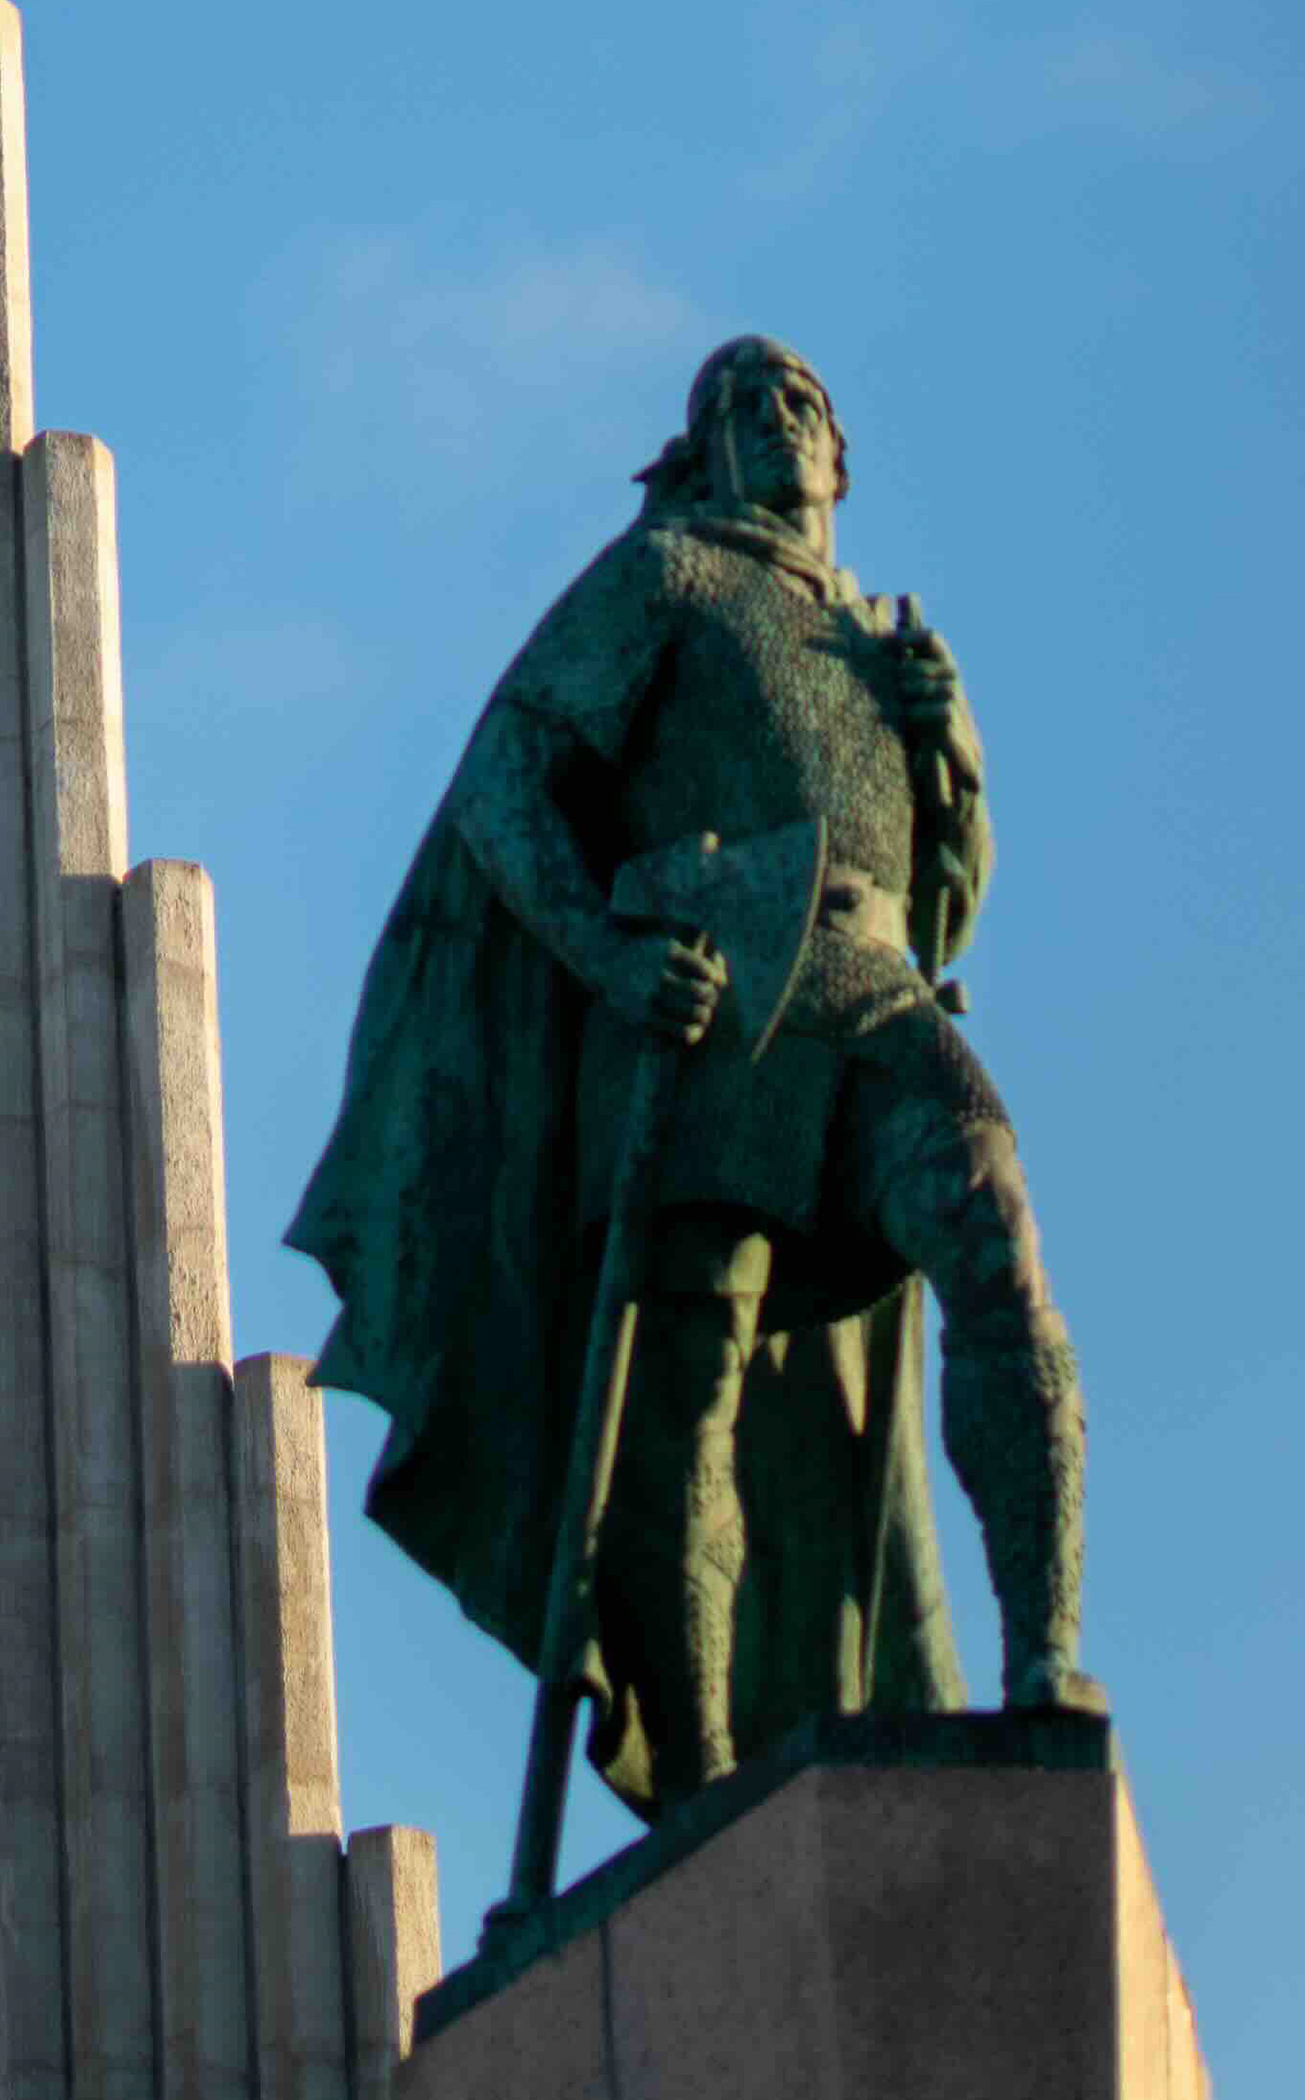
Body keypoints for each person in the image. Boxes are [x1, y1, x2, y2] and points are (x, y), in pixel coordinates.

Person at [291, 334, 1094, 1811]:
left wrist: (948, 753)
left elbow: (941, 901)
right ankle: (712, 1774)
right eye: (737, 404)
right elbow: (504, 781)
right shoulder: (666, 577)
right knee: (691, 1388)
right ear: (705, 453)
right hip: (712, 994)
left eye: (799, 401)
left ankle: (1043, 1657)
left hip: (864, 985)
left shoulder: (881, 638)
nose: (771, 418)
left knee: (989, 1220)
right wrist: (602, 951)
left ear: (840, 457)